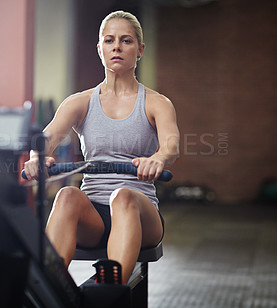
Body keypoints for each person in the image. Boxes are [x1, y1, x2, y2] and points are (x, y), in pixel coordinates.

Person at [24, 10, 180, 284]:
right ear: (100, 49)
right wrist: (38, 158)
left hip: (141, 216)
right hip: (93, 217)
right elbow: (44, 141)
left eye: (126, 41)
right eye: (109, 40)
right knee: (67, 196)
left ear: (140, 49)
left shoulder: (157, 103)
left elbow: (171, 145)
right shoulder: (79, 102)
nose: (117, 46)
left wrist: (157, 158)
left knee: (123, 196)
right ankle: (48, 287)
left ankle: (110, 289)